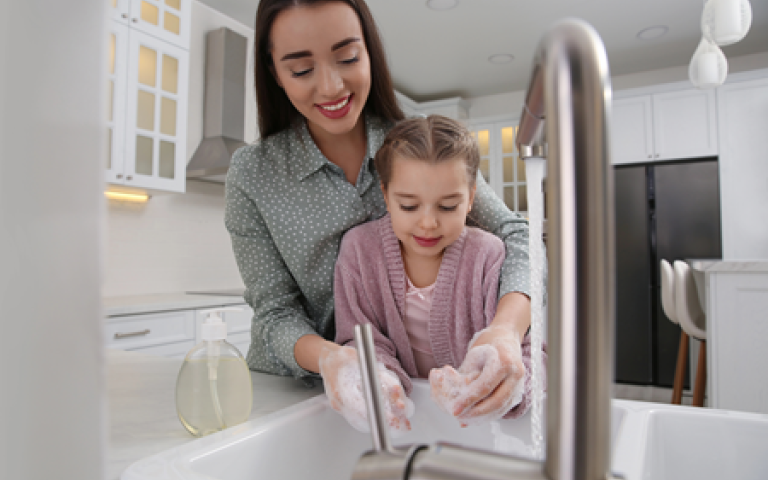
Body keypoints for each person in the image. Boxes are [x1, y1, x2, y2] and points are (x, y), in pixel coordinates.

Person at [224, 0, 536, 424]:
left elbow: (516, 235)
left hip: (407, 389)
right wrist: (334, 359)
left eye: (348, 57)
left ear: (370, 51)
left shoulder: (416, 145)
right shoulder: (253, 173)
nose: (332, 86)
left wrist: (504, 331)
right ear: (274, 72)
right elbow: (274, 312)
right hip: (296, 394)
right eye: (301, 69)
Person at [325, 116, 543, 433]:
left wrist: (503, 386)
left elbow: (530, 356)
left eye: (447, 206)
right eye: (409, 206)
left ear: (470, 198)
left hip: (476, 429)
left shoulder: (488, 254)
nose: (428, 223)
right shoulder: (359, 250)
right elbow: (361, 342)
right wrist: (382, 382)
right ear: (386, 195)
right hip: (404, 424)